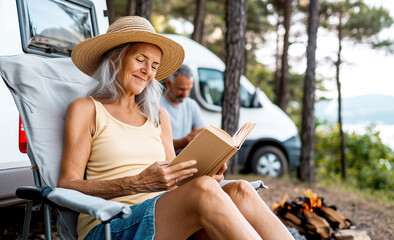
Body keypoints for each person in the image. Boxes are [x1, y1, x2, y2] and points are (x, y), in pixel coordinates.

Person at [57, 16, 294, 240]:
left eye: (154, 66)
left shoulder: (158, 115)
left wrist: (206, 172)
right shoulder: (86, 109)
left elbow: (176, 180)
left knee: (240, 189)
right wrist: (138, 183)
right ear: (114, 58)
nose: (147, 71)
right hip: (111, 225)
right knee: (204, 189)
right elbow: (67, 186)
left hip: (164, 216)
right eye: (140, 60)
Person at [160, 65, 204, 152]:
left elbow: (201, 130)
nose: (185, 94)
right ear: (168, 84)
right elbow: (157, 145)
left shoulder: (191, 105)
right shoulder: (156, 105)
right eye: (181, 89)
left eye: (188, 89)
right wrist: (183, 142)